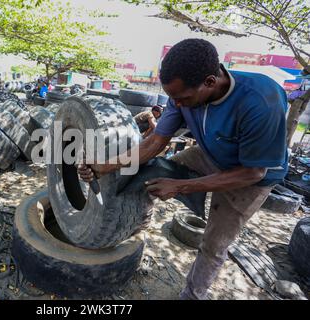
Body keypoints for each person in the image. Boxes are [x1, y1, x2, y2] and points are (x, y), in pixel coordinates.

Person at [78, 39, 288, 300]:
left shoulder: (260, 101)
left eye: (182, 98)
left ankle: (192, 294)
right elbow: (154, 143)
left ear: (210, 82)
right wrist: (101, 167)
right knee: (150, 171)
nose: (175, 105)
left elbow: (253, 173)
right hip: (211, 153)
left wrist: (181, 186)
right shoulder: (181, 96)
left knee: (214, 243)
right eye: (171, 97)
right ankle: (139, 219)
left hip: (251, 175)